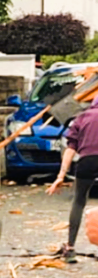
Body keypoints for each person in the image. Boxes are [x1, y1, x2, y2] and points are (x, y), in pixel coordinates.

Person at [46, 97, 98, 262]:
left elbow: (70, 149)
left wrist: (61, 176)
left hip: (86, 161)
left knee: (79, 201)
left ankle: (70, 248)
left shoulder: (81, 118)